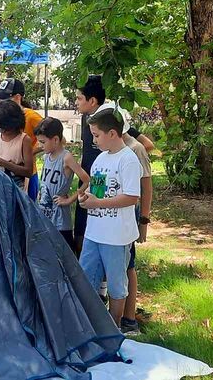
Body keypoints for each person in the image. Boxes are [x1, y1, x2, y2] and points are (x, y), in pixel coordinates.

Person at [74, 75, 155, 256]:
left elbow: (144, 146)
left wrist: (127, 162)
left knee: (121, 263)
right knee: (85, 245)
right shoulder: (87, 121)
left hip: (117, 210)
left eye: (79, 98)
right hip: (93, 195)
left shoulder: (114, 124)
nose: (76, 102)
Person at [78, 108, 141, 329]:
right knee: (86, 280)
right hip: (94, 233)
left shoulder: (129, 160)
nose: (94, 140)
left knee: (116, 286)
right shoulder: (100, 159)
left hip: (116, 237)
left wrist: (98, 203)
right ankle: (91, 327)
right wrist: (86, 199)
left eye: (97, 135)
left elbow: (132, 197)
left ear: (112, 133)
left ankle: (113, 329)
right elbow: (97, 190)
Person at [34, 117, 90, 249]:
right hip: (45, 214)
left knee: (64, 254)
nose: (40, 146)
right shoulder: (46, 156)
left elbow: (86, 180)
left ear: (55, 139)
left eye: (43, 142)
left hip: (60, 220)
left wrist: (69, 200)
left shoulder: (66, 157)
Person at [121, 132, 153, 335]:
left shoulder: (136, 149)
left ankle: (129, 319)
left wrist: (144, 220)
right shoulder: (108, 149)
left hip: (128, 215)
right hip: (109, 218)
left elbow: (146, 187)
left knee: (128, 264)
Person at [0, 78, 43, 200]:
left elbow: (56, 138)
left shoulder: (31, 116)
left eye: (5, 98)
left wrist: (29, 153)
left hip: (25, 178)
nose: (1, 102)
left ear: (18, 97)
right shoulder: (1, 116)